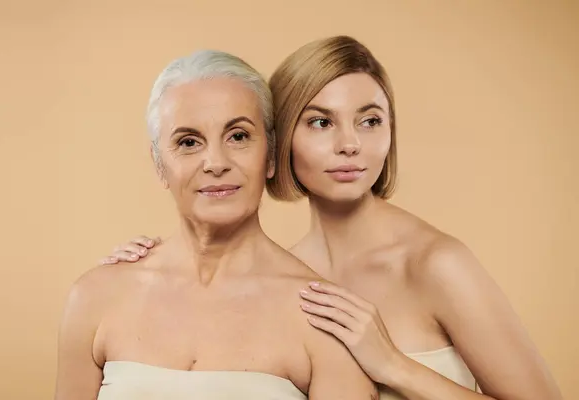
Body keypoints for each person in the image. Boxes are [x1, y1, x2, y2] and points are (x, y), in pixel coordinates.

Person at [102, 36, 564, 400]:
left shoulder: (434, 263)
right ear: (277, 141)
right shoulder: (287, 275)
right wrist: (153, 264)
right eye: (321, 122)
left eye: (370, 120)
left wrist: (394, 366)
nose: (350, 144)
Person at [54, 49, 380, 400]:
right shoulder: (95, 296)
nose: (215, 163)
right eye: (188, 142)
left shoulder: (325, 316)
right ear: (159, 164)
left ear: (270, 155)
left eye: (238, 136)